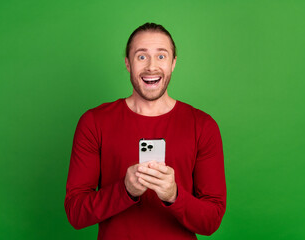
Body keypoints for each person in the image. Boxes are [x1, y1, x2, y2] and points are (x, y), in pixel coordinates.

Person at [64, 22, 226, 240]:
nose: (151, 66)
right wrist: (125, 190)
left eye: (161, 56)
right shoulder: (94, 122)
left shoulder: (203, 125)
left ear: (173, 64)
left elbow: (211, 221)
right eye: (141, 56)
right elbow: (76, 213)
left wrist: (173, 195)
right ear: (128, 64)